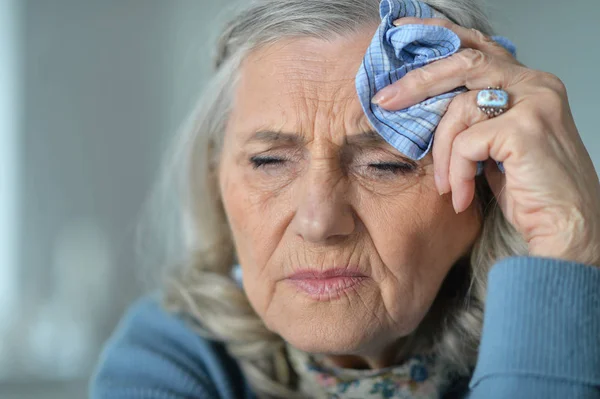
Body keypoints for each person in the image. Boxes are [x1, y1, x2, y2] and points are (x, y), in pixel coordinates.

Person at [90, 0, 600, 398]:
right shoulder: (167, 358)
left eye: (388, 164)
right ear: (216, 180)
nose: (319, 221)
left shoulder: (575, 339)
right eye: (269, 162)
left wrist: (566, 237)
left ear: (487, 190)